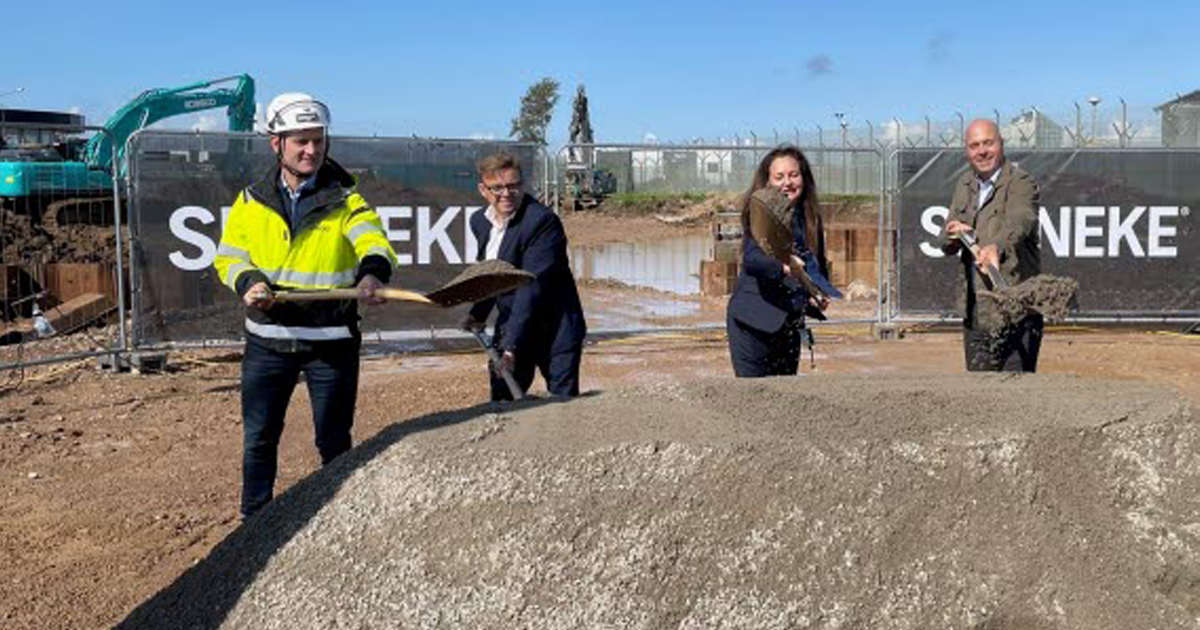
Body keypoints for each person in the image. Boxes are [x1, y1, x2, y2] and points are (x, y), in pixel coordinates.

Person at [213, 93, 397, 518]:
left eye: (318, 140)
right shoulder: (251, 200)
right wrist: (248, 281)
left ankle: (336, 523)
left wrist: (372, 273)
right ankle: (253, 526)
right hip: (267, 342)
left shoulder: (347, 199)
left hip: (331, 345)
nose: (311, 150)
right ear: (276, 144)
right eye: (301, 141)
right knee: (259, 440)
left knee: (334, 443)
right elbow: (229, 254)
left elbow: (375, 243)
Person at [461, 153, 586, 400]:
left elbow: (531, 285)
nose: (506, 193)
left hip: (555, 328)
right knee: (503, 401)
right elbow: (491, 274)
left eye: (513, 185)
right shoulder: (479, 222)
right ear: (483, 190)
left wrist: (510, 347)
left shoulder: (541, 222)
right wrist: (478, 314)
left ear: (522, 185)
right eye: (497, 188)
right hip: (513, 323)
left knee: (563, 406)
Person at [726, 145, 840, 377]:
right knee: (753, 399)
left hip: (788, 327)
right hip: (753, 323)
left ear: (804, 178)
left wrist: (815, 293)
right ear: (768, 181)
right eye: (779, 177)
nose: (787, 182)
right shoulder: (761, 214)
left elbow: (815, 262)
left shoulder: (810, 218)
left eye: (793, 175)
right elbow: (752, 260)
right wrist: (784, 268)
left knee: (785, 399)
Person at [940, 119, 1043, 372]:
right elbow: (945, 239)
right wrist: (953, 234)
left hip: (1015, 310)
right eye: (975, 145)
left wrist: (996, 246)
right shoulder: (965, 185)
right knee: (979, 396)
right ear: (967, 150)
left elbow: (1020, 219)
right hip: (976, 311)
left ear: (1001, 144)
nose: (982, 151)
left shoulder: (1021, 182)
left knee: (1015, 393)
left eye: (988, 143)